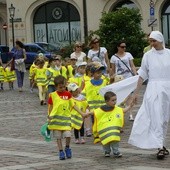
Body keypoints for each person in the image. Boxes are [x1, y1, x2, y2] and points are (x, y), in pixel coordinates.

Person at [128, 31, 170, 160]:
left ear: (160, 40)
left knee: (164, 118)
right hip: (153, 88)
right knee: (156, 117)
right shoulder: (148, 55)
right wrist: (136, 93)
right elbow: (142, 75)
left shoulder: (169, 54)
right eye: (150, 41)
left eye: (154, 41)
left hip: (167, 88)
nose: (152, 44)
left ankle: (162, 144)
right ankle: (160, 147)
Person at [47, 75, 86, 160]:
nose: (63, 88)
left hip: (66, 120)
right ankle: (61, 151)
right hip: (56, 120)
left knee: (68, 135)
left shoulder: (68, 94)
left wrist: (82, 113)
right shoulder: (52, 95)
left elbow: (73, 105)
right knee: (58, 137)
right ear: (56, 87)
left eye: (64, 86)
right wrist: (49, 116)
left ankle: (67, 147)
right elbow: (50, 106)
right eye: (60, 87)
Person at [90, 91, 133, 157]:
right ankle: (107, 151)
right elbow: (94, 112)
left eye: (115, 100)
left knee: (115, 140)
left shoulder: (117, 109)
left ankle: (116, 151)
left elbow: (123, 110)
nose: (115, 102)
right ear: (107, 101)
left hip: (114, 130)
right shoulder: (101, 109)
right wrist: (86, 114)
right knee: (105, 141)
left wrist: (130, 106)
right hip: (104, 130)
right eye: (112, 100)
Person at [110, 41, 137, 121]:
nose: (124, 48)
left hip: (128, 77)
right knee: (121, 96)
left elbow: (132, 65)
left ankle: (130, 113)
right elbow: (113, 69)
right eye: (122, 47)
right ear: (118, 47)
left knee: (130, 96)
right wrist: (111, 78)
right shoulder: (114, 57)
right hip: (119, 78)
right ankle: (120, 113)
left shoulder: (128, 55)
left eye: (125, 47)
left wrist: (135, 74)